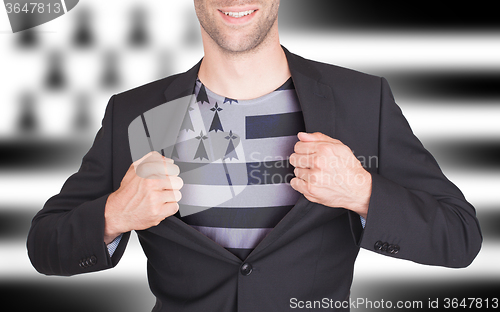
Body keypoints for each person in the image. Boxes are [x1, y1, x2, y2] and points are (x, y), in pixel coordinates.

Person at [27, 1, 482, 311]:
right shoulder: (137, 113)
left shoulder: (362, 101)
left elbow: (460, 236)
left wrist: (362, 191)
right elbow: (44, 245)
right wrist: (114, 214)